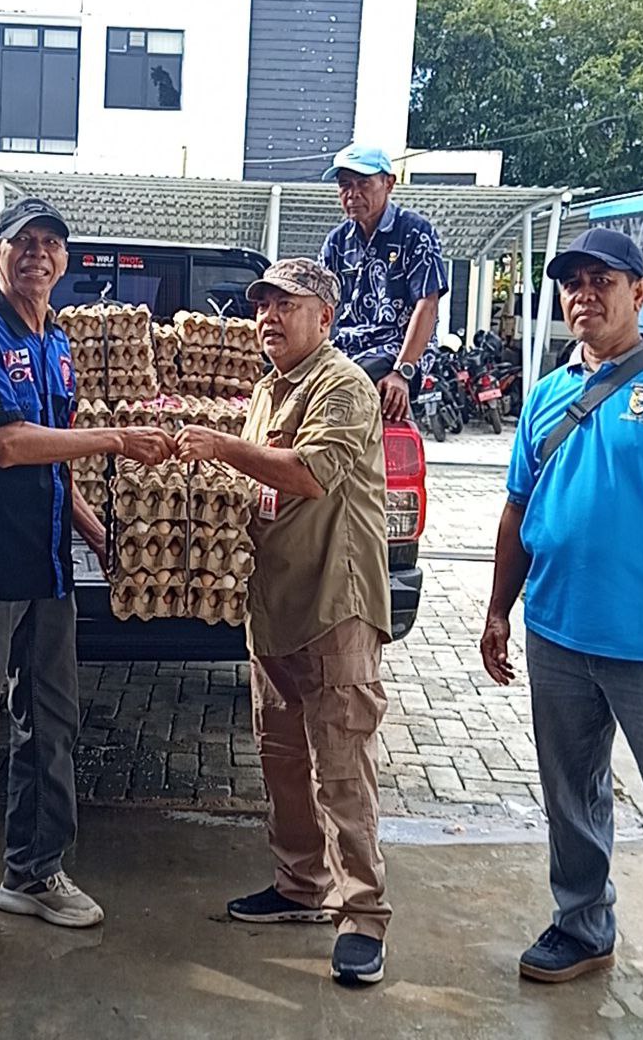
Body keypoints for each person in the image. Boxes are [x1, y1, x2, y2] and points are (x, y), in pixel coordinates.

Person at [479, 227, 643, 1040]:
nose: (582, 295)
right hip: (556, 632)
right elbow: (517, 511)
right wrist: (497, 610)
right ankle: (583, 923)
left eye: (601, 280)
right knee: (570, 792)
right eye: (570, 283)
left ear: (634, 292)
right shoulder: (548, 392)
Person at [0, 197, 175, 957]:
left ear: (65, 262)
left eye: (51, 244)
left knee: (52, 722)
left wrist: (97, 530)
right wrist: (118, 436)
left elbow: (55, 467)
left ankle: (31, 871)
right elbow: (9, 445)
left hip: (50, 565)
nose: (38, 254)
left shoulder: (57, 342)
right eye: (21, 242)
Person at [176, 257, 392, 985]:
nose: (267, 317)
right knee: (282, 759)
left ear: (323, 317)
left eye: (285, 305)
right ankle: (300, 885)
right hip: (276, 603)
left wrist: (220, 446)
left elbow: (303, 473)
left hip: (335, 602)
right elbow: (259, 484)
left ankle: (362, 913)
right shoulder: (270, 386)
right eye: (261, 305)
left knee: (341, 765)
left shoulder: (342, 385)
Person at [318, 142, 449, 422]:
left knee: (343, 385)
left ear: (389, 183)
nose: (352, 194)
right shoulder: (337, 241)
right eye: (345, 185)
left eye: (363, 183)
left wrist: (403, 372)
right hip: (346, 349)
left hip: (395, 349)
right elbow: (320, 305)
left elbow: (427, 304)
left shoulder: (416, 232)